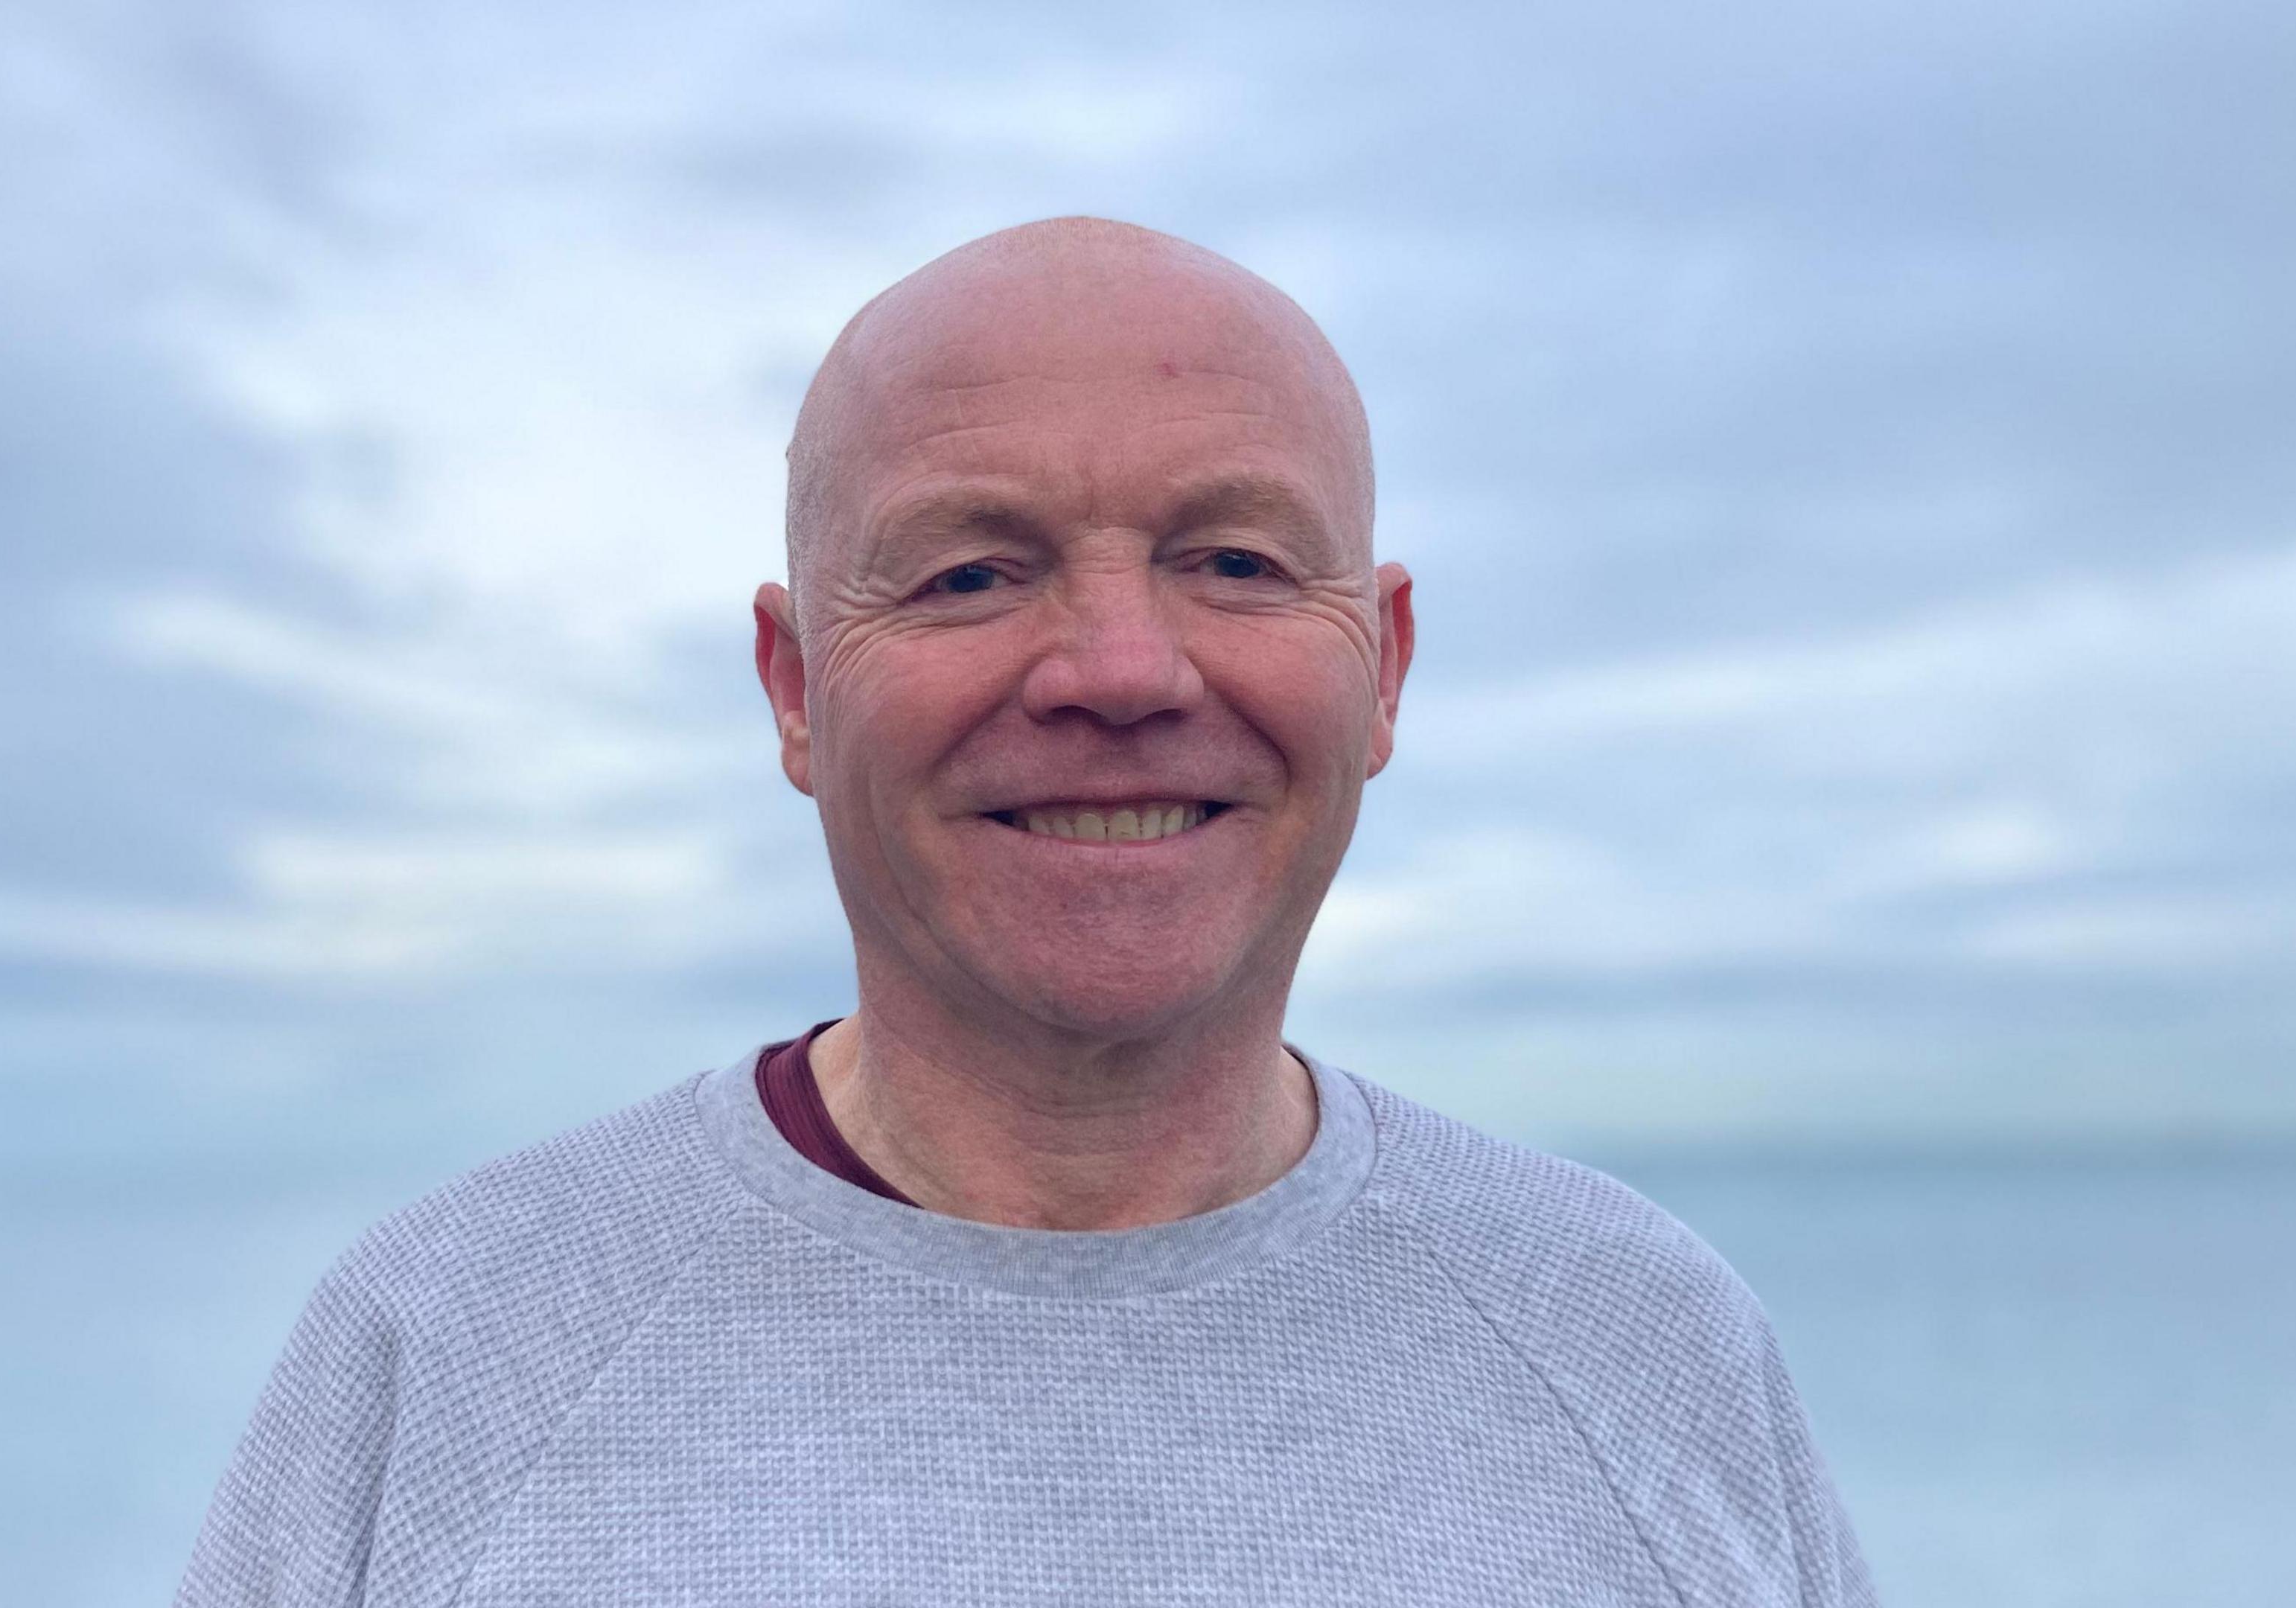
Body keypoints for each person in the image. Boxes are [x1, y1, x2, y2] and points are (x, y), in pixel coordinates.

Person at [173, 217, 1879, 1606]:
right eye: (971, 572)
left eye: (1235, 561)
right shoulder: (452, 1348)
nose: (1121, 671)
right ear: (791, 687)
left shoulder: (1645, 1345)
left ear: (1385, 668)